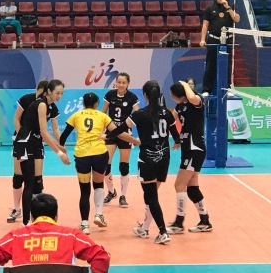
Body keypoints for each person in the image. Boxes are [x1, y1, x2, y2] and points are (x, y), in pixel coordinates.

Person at [107, 80, 180, 244]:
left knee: (151, 197)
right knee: (152, 195)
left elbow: (120, 129)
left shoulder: (140, 114)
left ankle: (162, 232)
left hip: (148, 159)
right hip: (164, 158)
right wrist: (176, 142)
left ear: (145, 95)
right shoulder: (167, 113)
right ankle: (144, 228)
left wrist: (107, 136)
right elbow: (176, 135)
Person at [59, 92, 139, 233]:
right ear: (96, 104)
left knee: (84, 191)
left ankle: (85, 224)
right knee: (98, 184)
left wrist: (62, 153)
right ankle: (99, 214)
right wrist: (136, 141)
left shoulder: (76, 116)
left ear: (83, 104)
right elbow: (118, 133)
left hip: (82, 155)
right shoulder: (103, 116)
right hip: (99, 154)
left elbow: (64, 136)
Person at [13, 79, 70, 227]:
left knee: (37, 182)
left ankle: (39, 217)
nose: (59, 96)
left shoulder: (50, 106)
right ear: (49, 91)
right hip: (25, 142)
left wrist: (58, 145)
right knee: (28, 183)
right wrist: (59, 153)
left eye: (61, 93)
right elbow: (44, 132)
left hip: (36, 142)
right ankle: (25, 222)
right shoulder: (42, 104)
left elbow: (46, 132)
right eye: (57, 93)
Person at [167, 80, 211, 233]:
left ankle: (179, 223)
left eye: (173, 95)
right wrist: (177, 139)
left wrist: (185, 84)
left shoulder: (197, 101)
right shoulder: (180, 106)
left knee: (179, 185)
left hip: (194, 148)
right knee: (192, 188)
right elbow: (170, 120)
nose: (172, 97)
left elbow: (192, 98)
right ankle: (205, 221)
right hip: (188, 149)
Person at [101, 72, 140, 208]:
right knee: (105, 164)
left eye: (124, 83)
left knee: (124, 165)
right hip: (111, 132)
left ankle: (123, 196)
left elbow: (137, 114)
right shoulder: (110, 95)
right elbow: (103, 113)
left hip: (124, 133)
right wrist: (101, 129)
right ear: (115, 83)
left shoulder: (132, 97)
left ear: (128, 84)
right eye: (119, 82)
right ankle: (111, 192)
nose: (121, 85)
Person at [199, 0, 240, 95]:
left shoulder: (231, 8)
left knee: (228, 65)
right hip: (214, 39)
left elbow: (236, 19)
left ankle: (228, 88)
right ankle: (206, 90)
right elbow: (205, 25)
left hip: (228, 40)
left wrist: (228, 8)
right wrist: (202, 39)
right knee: (210, 65)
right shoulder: (209, 8)